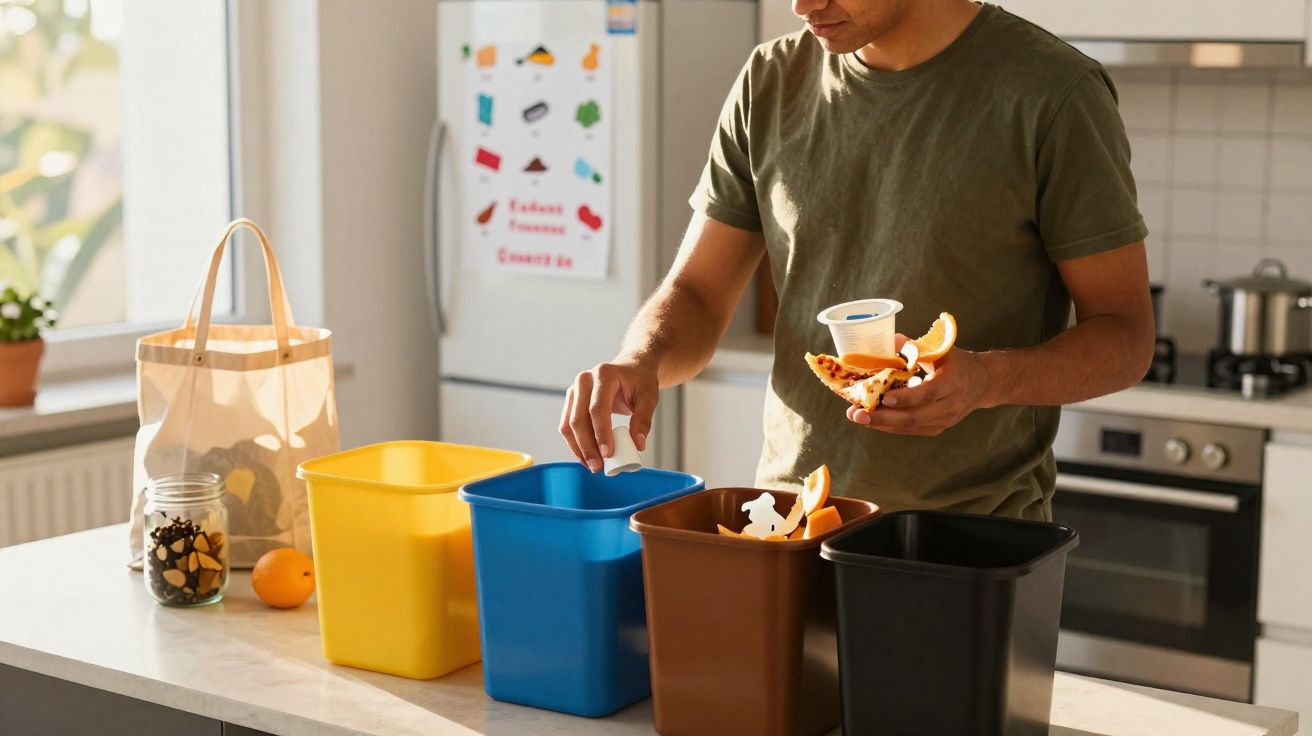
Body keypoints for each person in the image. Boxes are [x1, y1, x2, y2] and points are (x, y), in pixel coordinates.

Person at [560, 0, 1155, 521]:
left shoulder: (1053, 92)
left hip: (974, 543)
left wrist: (986, 381)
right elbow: (697, 294)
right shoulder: (770, 81)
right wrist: (641, 360)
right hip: (791, 521)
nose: (801, 5)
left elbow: (1125, 337)